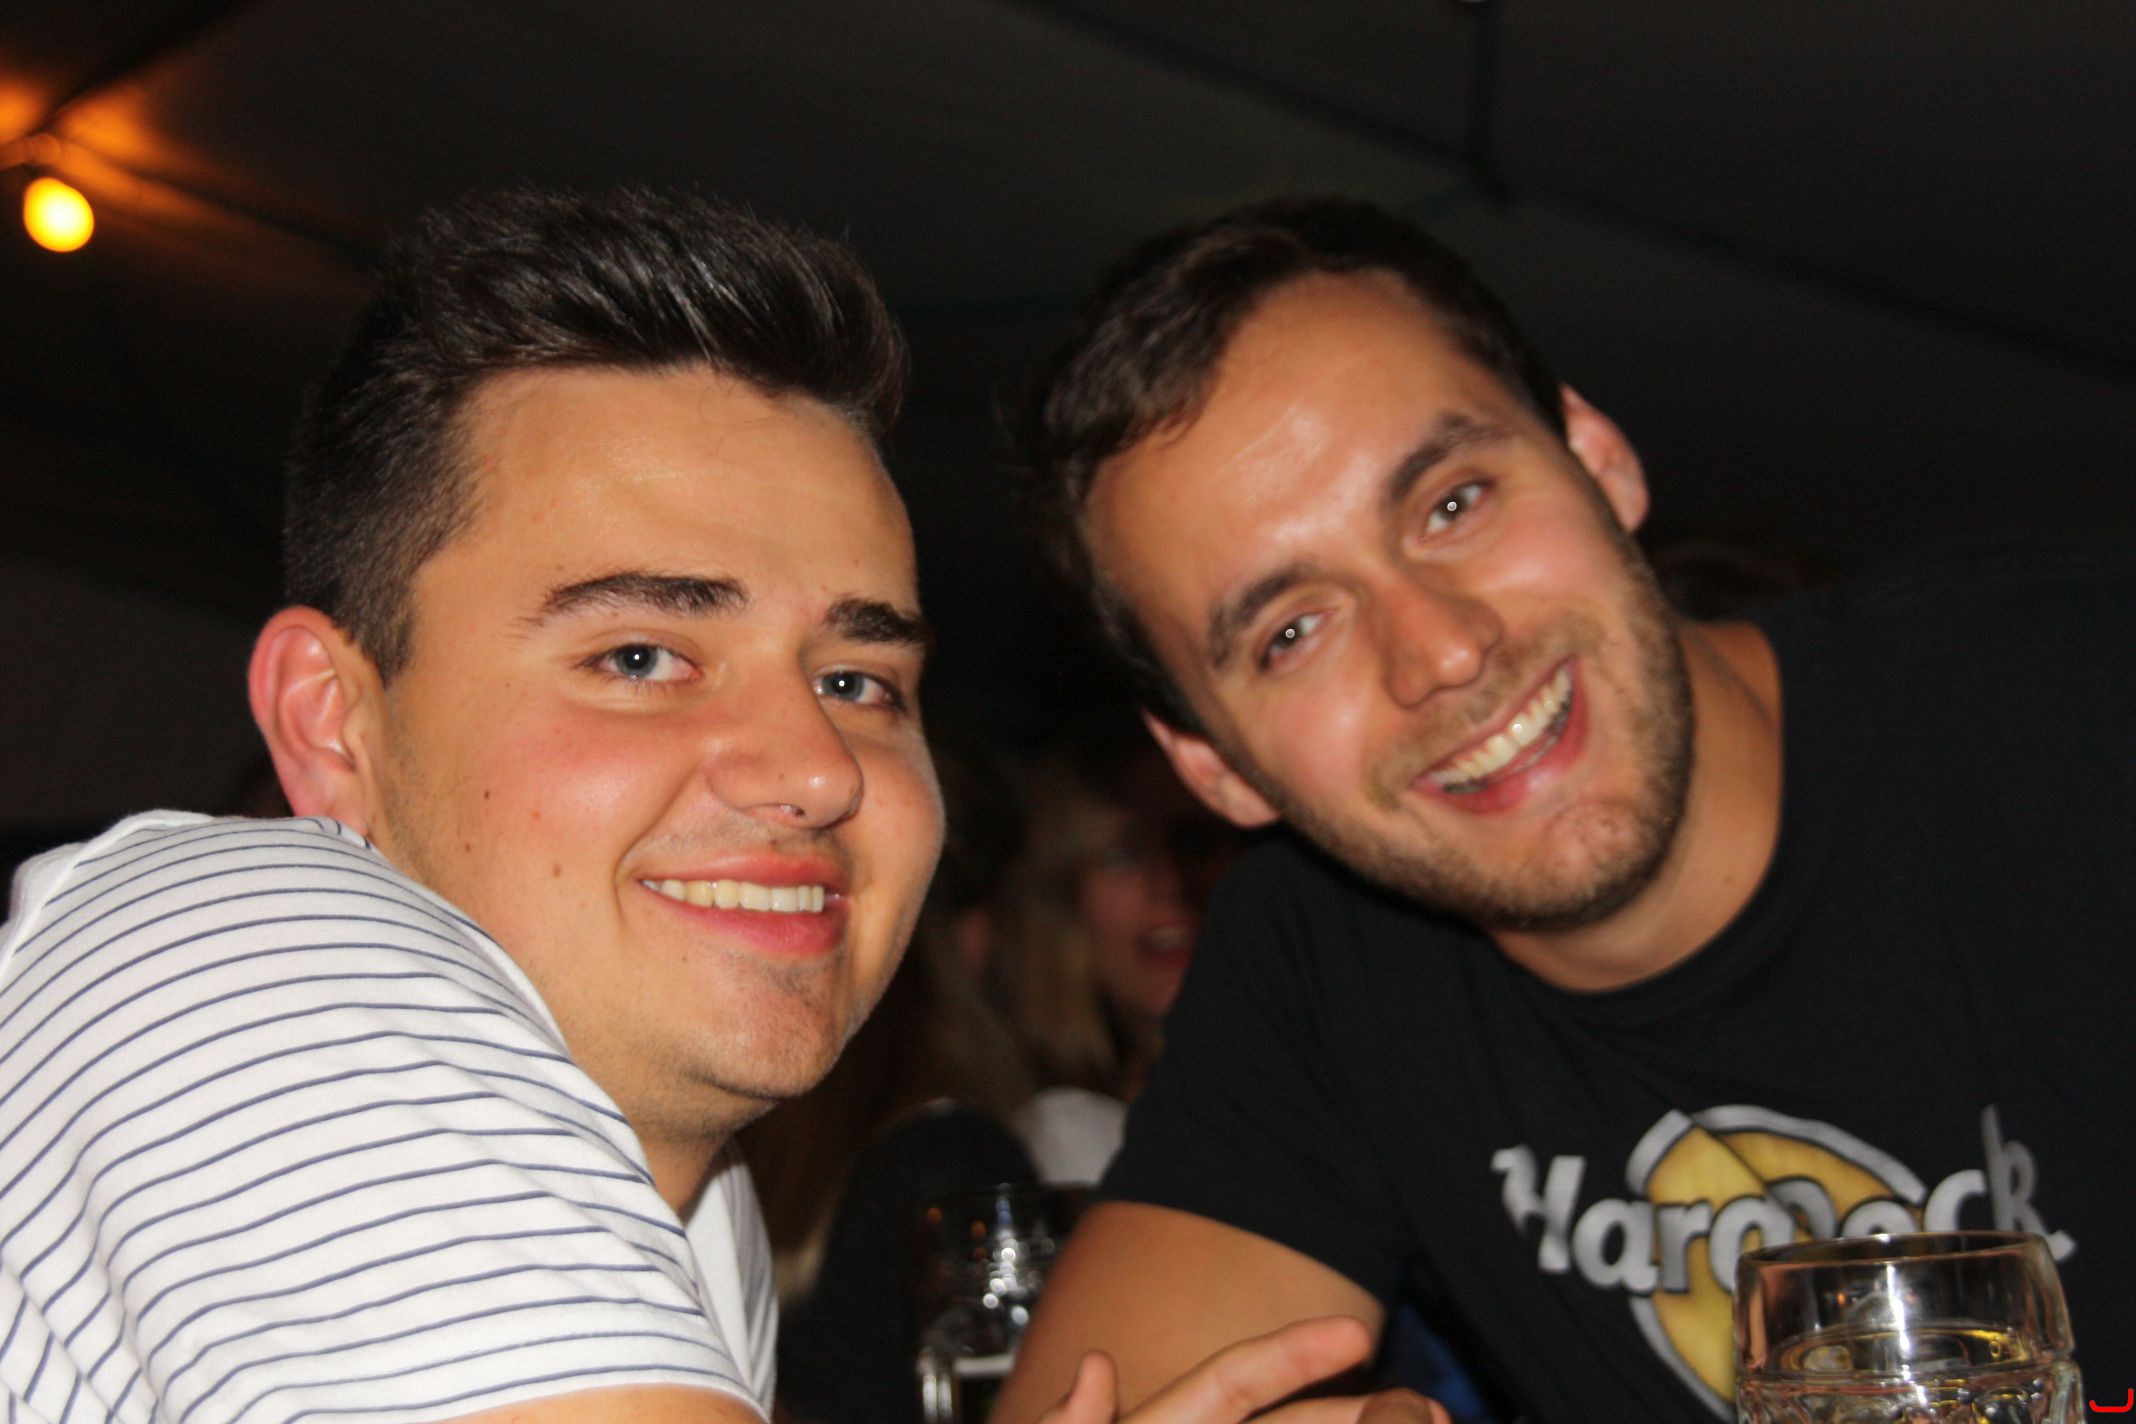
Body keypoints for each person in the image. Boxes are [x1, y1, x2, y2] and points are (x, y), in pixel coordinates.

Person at [1, 187, 1439, 1424]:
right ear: (333, 719)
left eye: (859, 679)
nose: (817, 768)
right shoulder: (249, 958)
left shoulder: (705, 1222)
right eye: (640, 658)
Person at [994, 195, 2136, 1424]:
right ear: (1213, 764)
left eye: (1452, 502)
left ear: (1596, 456)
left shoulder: (2083, 710)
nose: (1440, 649)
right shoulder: (1323, 961)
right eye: (1292, 630)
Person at [992, 721, 1240, 1183]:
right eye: (1121, 855)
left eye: (1195, 841)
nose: (1167, 881)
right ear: (1066, 910)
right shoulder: (1061, 1137)